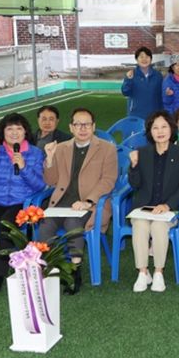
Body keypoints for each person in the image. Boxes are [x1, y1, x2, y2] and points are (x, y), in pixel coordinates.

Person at [40, 108, 118, 295]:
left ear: (94, 126)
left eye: (87, 124)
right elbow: (51, 180)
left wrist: (87, 201)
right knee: (45, 224)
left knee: (73, 223)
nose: (82, 128)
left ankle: (74, 271)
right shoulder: (61, 148)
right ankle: (51, 268)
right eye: (78, 124)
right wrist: (49, 160)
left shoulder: (107, 149)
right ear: (71, 127)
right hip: (62, 203)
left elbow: (108, 180)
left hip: (90, 204)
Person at [128, 111, 179, 293]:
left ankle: (158, 272)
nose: (160, 131)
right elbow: (135, 184)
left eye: (164, 127)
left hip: (169, 209)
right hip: (144, 208)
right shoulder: (142, 152)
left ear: (171, 129)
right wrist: (134, 166)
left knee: (158, 226)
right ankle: (143, 272)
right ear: (150, 132)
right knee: (140, 225)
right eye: (155, 128)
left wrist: (167, 205)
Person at [0, 113, 45, 293]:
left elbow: (39, 185)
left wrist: (24, 167)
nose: (14, 132)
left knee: (6, 225)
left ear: (25, 132)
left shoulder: (35, 153)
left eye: (19, 128)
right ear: (2, 132)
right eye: (9, 128)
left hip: (21, 201)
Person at [121, 46, 163, 119]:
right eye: (141, 57)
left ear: (151, 59)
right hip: (135, 114)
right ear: (137, 59)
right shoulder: (131, 74)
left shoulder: (158, 75)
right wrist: (128, 80)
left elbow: (160, 96)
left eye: (147, 57)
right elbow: (125, 92)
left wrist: (161, 113)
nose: (144, 59)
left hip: (153, 115)